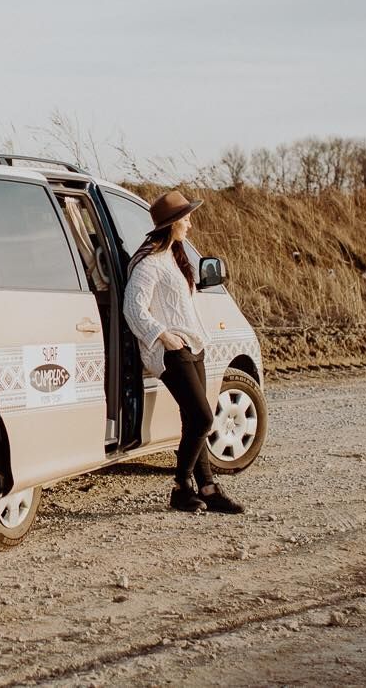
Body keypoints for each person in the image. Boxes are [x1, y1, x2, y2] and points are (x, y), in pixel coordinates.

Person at [123, 190, 245, 514]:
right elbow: (132, 308)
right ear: (172, 223)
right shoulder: (149, 263)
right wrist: (162, 336)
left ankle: (207, 487)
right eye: (186, 218)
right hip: (170, 352)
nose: (190, 224)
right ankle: (181, 487)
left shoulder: (174, 257)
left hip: (193, 347)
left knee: (193, 418)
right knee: (204, 417)